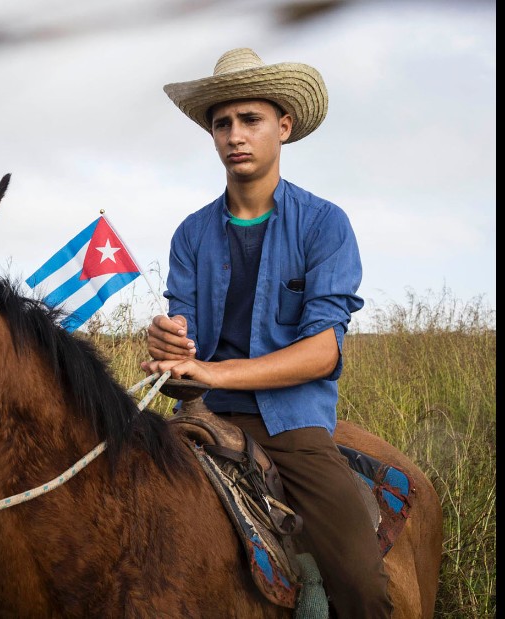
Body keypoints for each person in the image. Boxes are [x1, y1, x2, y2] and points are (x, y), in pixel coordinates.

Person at [141, 48, 390, 618]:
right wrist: (170, 345)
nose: (235, 135)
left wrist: (214, 371)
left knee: (362, 583)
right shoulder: (190, 235)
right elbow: (187, 345)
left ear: (284, 125)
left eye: (250, 120)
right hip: (203, 419)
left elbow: (323, 351)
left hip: (293, 427)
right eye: (222, 123)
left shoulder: (324, 223)